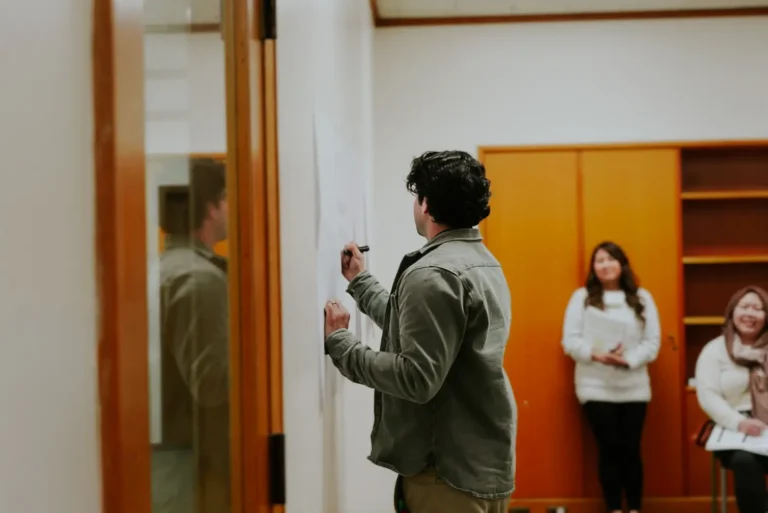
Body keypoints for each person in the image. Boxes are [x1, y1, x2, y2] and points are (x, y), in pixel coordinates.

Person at [323, 150, 516, 513]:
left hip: (447, 475)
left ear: (425, 204)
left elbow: (417, 377)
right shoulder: (480, 261)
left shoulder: (434, 274)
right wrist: (362, 283)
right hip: (478, 464)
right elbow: (420, 330)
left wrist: (341, 346)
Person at [561, 241, 661, 513]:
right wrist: (596, 354)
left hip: (634, 385)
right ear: (594, 268)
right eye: (599, 260)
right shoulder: (581, 298)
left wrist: (628, 359)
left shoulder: (642, 298)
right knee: (609, 448)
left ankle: (635, 508)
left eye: (610, 259)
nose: (605, 265)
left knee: (631, 448)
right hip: (594, 385)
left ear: (622, 264)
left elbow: (652, 343)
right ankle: (614, 508)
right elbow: (569, 341)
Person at [156, 158, 230, 513]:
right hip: (190, 468)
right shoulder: (199, 279)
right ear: (211, 206)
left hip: (168, 460)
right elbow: (212, 383)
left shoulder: (164, 267)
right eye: (227, 197)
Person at [696, 286, 768, 513]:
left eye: (758, 308)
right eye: (744, 306)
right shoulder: (714, 350)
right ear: (731, 312)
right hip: (734, 428)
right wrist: (740, 423)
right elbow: (708, 395)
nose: (750, 313)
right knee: (745, 462)